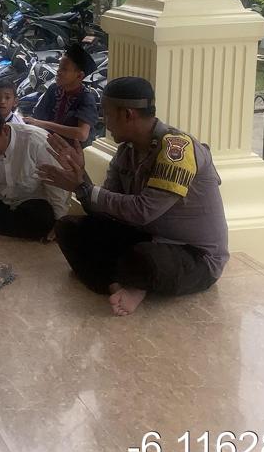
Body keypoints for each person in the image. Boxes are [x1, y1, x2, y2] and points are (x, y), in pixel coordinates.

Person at [39, 76, 228, 317]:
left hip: (193, 255)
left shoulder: (178, 150)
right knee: (69, 229)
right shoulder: (126, 152)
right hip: (146, 237)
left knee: (143, 258)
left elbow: (143, 211)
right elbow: (106, 210)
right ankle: (118, 285)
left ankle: (131, 279)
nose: (104, 121)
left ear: (128, 114)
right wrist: (80, 179)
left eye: (107, 114)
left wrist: (85, 188)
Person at [0, 102, 68, 241]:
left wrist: (60, 221)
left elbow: (56, 185)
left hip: (31, 199)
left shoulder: (37, 142)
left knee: (42, 219)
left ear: (4, 130)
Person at [26, 42, 99, 145]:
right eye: (59, 67)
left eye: (64, 69)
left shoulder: (86, 98)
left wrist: (42, 124)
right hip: (47, 143)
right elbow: (38, 117)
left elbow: (82, 134)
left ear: (79, 76)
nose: (58, 71)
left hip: (72, 151)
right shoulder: (53, 89)